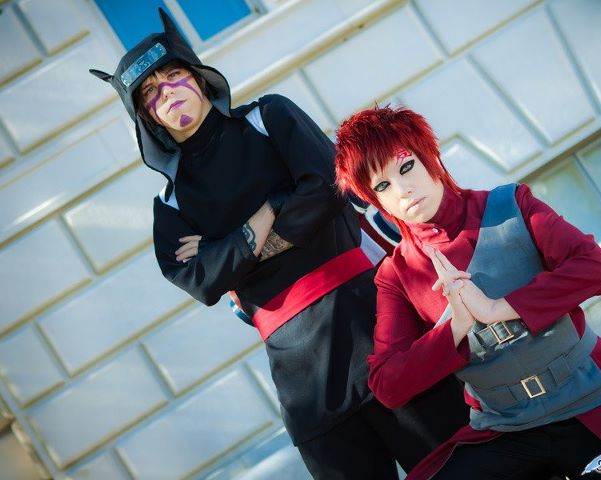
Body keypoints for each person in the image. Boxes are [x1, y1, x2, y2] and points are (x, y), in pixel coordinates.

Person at [89, 9, 468, 479]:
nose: (166, 92)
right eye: (149, 91)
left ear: (199, 76)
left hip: (377, 328)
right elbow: (203, 282)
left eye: (173, 75)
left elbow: (326, 190)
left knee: (460, 468)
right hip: (303, 382)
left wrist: (231, 248)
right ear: (145, 116)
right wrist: (274, 205)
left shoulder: (269, 117)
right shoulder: (170, 206)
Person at [334, 105, 601, 479]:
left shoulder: (510, 205)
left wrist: (497, 308)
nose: (403, 190)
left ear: (429, 156)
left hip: (586, 399)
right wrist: (455, 327)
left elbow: (594, 267)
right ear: (374, 200)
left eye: (406, 166)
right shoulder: (397, 274)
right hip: (505, 429)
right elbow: (388, 385)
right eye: (382, 186)